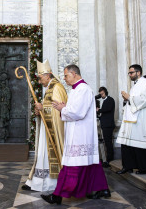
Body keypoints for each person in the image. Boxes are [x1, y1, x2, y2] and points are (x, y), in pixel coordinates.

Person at [41, 64, 110, 204]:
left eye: (66, 75)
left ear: (74, 74)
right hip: (78, 132)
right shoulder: (77, 89)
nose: (64, 79)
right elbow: (75, 109)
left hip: (80, 135)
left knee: (71, 166)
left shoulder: (83, 89)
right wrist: (65, 108)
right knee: (90, 163)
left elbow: (78, 112)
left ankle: (57, 195)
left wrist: (62, 108)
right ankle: (103, 189)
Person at [22, 59, 67, 192]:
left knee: (48, 156)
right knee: (42, 154)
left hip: (53, 129)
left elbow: (59, 110)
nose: (40, 81)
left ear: (48, 75)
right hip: (46, 128)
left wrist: (43, 108)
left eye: (41, 78)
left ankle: (50, 183)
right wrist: (39, 111)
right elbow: (47, 107)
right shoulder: (49, 88)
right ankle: (38, 181)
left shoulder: (57, 87)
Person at [116, 64, 146, 175]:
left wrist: (129, 97)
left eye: (131, 72)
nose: (130, 75)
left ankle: (145, 168)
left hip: (141, 119)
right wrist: (127, 100)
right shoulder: (136, 84)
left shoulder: (145, 83)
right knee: (126, 143)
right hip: (132, 118)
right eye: (129, 73)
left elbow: (145, 100)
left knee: (139, 144)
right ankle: (128, 166)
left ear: (138, 72)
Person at [96, 87, 115, 167]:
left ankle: (109, 159)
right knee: (106, 142)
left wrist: (99, 110)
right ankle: (107, 159)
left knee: (108, 142)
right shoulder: (103, 101)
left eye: (102, 93)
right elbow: (104, 114)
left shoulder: (110, 100)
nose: (101, 95)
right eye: (100, 94)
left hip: (108, 125)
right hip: (104, 124)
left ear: (105, 92)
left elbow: (108, 109)